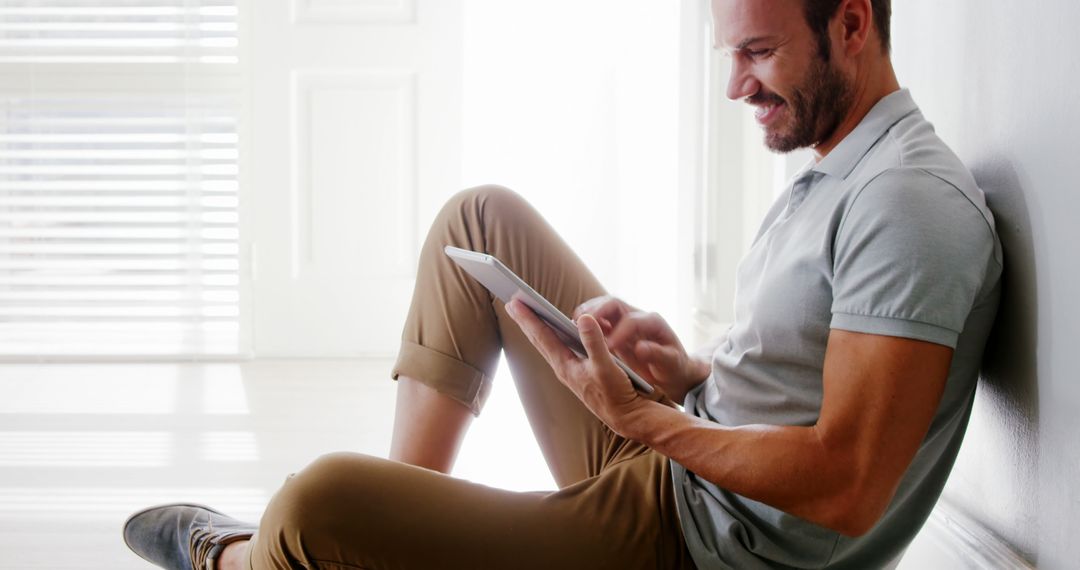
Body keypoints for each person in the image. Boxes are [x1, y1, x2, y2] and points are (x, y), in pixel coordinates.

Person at [122, 0, 1003, 568]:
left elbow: (848, 483)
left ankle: (233, 557)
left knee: (315, 503)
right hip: (687, 465)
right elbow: (805, 382)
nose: (737, 85)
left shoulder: (908, 206)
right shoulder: (844, 165)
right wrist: (685, 373)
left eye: (760, 53)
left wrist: (639, 418)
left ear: (851, 23)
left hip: (697, 545)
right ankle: (391, 547)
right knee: (481, 221)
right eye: (728, 54)